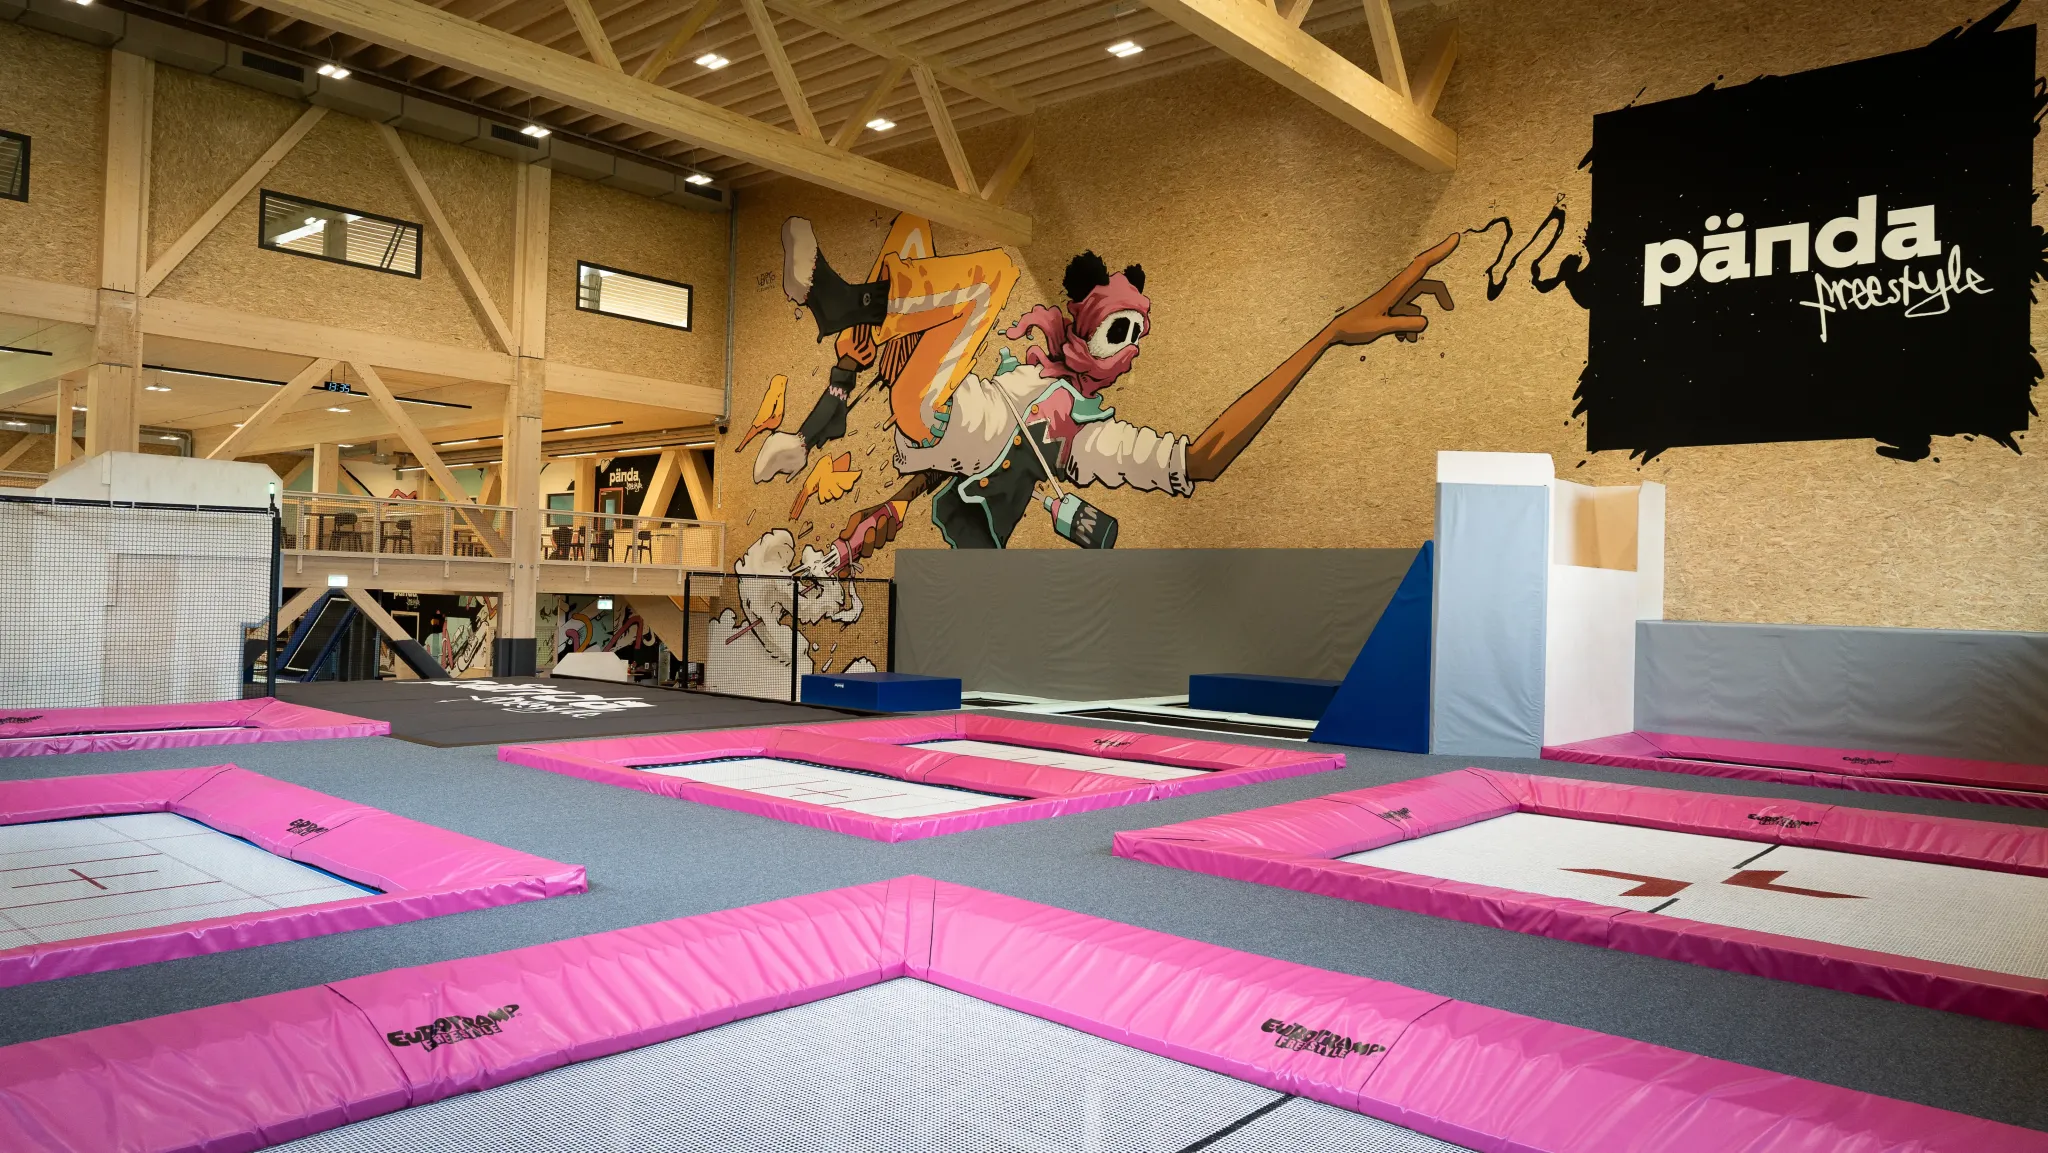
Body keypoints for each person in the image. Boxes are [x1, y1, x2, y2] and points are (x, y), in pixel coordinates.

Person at [758, 216, 1460, 570]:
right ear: (1082, 324)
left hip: (931, 412)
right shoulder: (1029, 367)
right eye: (1118, 330)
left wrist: (1328, 336)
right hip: (931, 405)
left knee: (988, 276)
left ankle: (836, 311)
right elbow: (964, 455)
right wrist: (896, 499)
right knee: (918, 244)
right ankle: (818, 408)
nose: (1128, 349)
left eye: (1136, 336)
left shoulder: (1089, 435)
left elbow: (1202, 458)